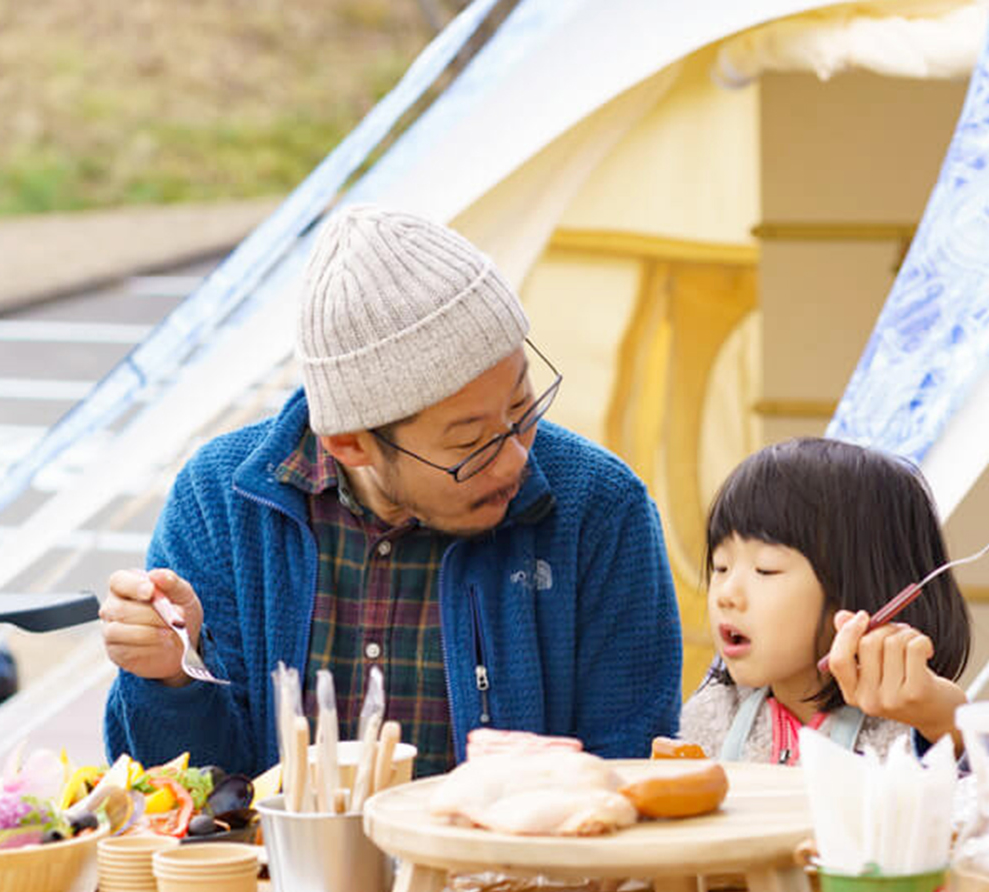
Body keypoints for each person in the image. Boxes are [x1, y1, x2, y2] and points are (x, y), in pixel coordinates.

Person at [100, 205, 683, 776]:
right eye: (469, 442)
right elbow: (184, 796)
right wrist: (168, 679)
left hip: (518, 872)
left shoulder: (602, 509)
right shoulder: (222, 502)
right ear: (351, 443)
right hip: (279, 874)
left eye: (521, 406)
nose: (515, 459)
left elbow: (628, 769)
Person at [680, 437, 971, 762]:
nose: (726, 595)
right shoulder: (712, 717)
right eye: (721, 566)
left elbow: (982, 783)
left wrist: (946, 719)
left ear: (861, 590)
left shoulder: (908, 723)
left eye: (766, 569)